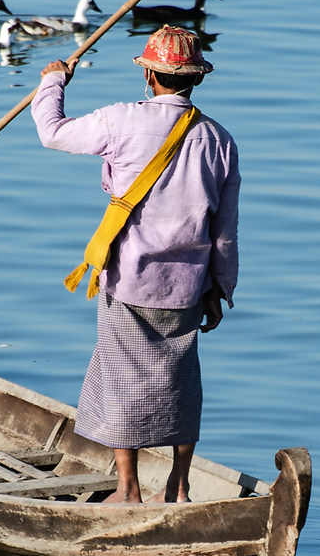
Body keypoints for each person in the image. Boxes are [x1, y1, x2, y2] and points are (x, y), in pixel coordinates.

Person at [34, 25, 238, 504]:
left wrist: (53, 81)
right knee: (180, 380)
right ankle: (179, 486)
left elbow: (52, 133)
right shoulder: (218, 139)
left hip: (128, 278)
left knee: (121, 378)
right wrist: (219, 289)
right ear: (196, 78)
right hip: (188, 284)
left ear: (149, 75)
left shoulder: (120, 120)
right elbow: (224, 229)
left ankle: (128, 490)